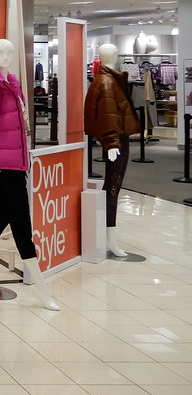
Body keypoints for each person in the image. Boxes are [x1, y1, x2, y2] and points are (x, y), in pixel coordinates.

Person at [0, 38, 60, 311]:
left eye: (9, 51)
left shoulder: (12, 85)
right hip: (4, 165)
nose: (5, 56)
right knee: (22, 224)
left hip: (16, 162)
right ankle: (43, 291)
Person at [84, 42, 140, 257]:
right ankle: (109, 238)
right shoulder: (107, 81)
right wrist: (111, 143)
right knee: (113, 188)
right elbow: (107, 115)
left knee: (112, 188)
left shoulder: (107, 79)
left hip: (116, 141)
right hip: (116, 142)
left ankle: (109, 236)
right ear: (112, 56)